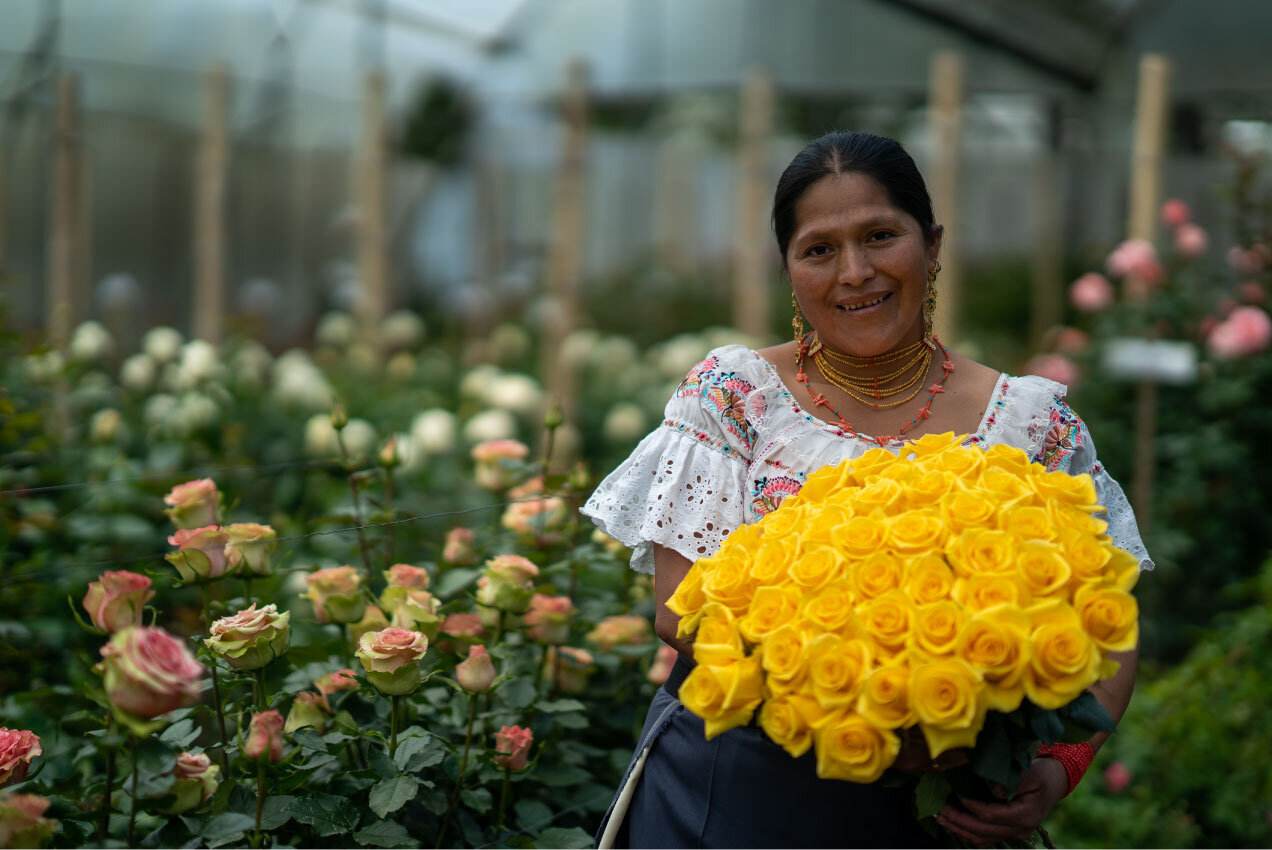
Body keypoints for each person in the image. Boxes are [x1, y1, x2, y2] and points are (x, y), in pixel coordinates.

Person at [582, 131, 1152, 848]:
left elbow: (1109, 619)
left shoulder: (1031, 423)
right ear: (788, 269)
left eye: (881, 236)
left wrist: (1056, 768)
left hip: (953, 806)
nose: (855, 272)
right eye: (819, 249)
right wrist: (877, 701)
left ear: (932, 244)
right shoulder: (736, 397)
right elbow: (680, 609)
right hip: (737, 795)